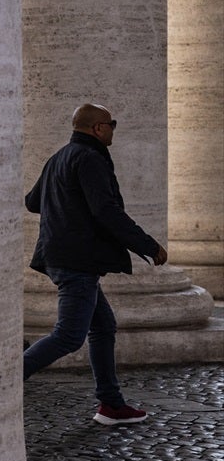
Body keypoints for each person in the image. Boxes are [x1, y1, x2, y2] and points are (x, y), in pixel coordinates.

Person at [23, 102, 167, 426]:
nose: (114, 128)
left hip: (60, 255)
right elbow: (106, 211)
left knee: (102, 326)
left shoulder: (59, 157)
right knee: (69, 336)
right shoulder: (90, 158)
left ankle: (111, 405)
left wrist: (63, 207)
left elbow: (33, 202)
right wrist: (148, 245)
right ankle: (4, 382)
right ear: (97, 128)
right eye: (111, 123)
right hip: (76, 260)